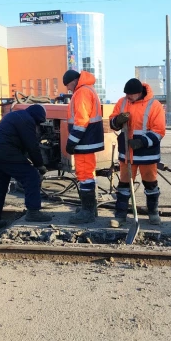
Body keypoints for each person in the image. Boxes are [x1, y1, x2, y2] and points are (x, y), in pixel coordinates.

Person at [0, 104, 51, 230]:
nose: (37, 125)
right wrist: (39, 165)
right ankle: (33, 212)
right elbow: (32, 146)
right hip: (5, 153)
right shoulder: (27, 120)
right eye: (38, 123)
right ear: (36, 117)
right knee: (31, 176)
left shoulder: (16, 116)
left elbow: (21, 143)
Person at [109, 78, 166, 228]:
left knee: (150, 184)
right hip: (127, 153)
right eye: (126, 94)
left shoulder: (155, 105)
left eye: (131, 95)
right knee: (124, 185)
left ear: (139, 93)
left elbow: (159, 131)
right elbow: (112, 123)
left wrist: (142, 142)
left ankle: (153, 213)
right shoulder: (122, 102)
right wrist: (117, 121)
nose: (128, 97)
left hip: (147, 153)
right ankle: (120, 216)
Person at [62, 69, 105, 224]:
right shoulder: (87, 90)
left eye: (68, 85)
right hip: (87, 140)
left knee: (85, 174)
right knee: (87, 174)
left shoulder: (81, 92)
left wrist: (72, 141)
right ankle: (90, 208)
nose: (68, 89)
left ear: (74, 81)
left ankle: (87, 212)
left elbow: (81, 120)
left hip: (84, 141)